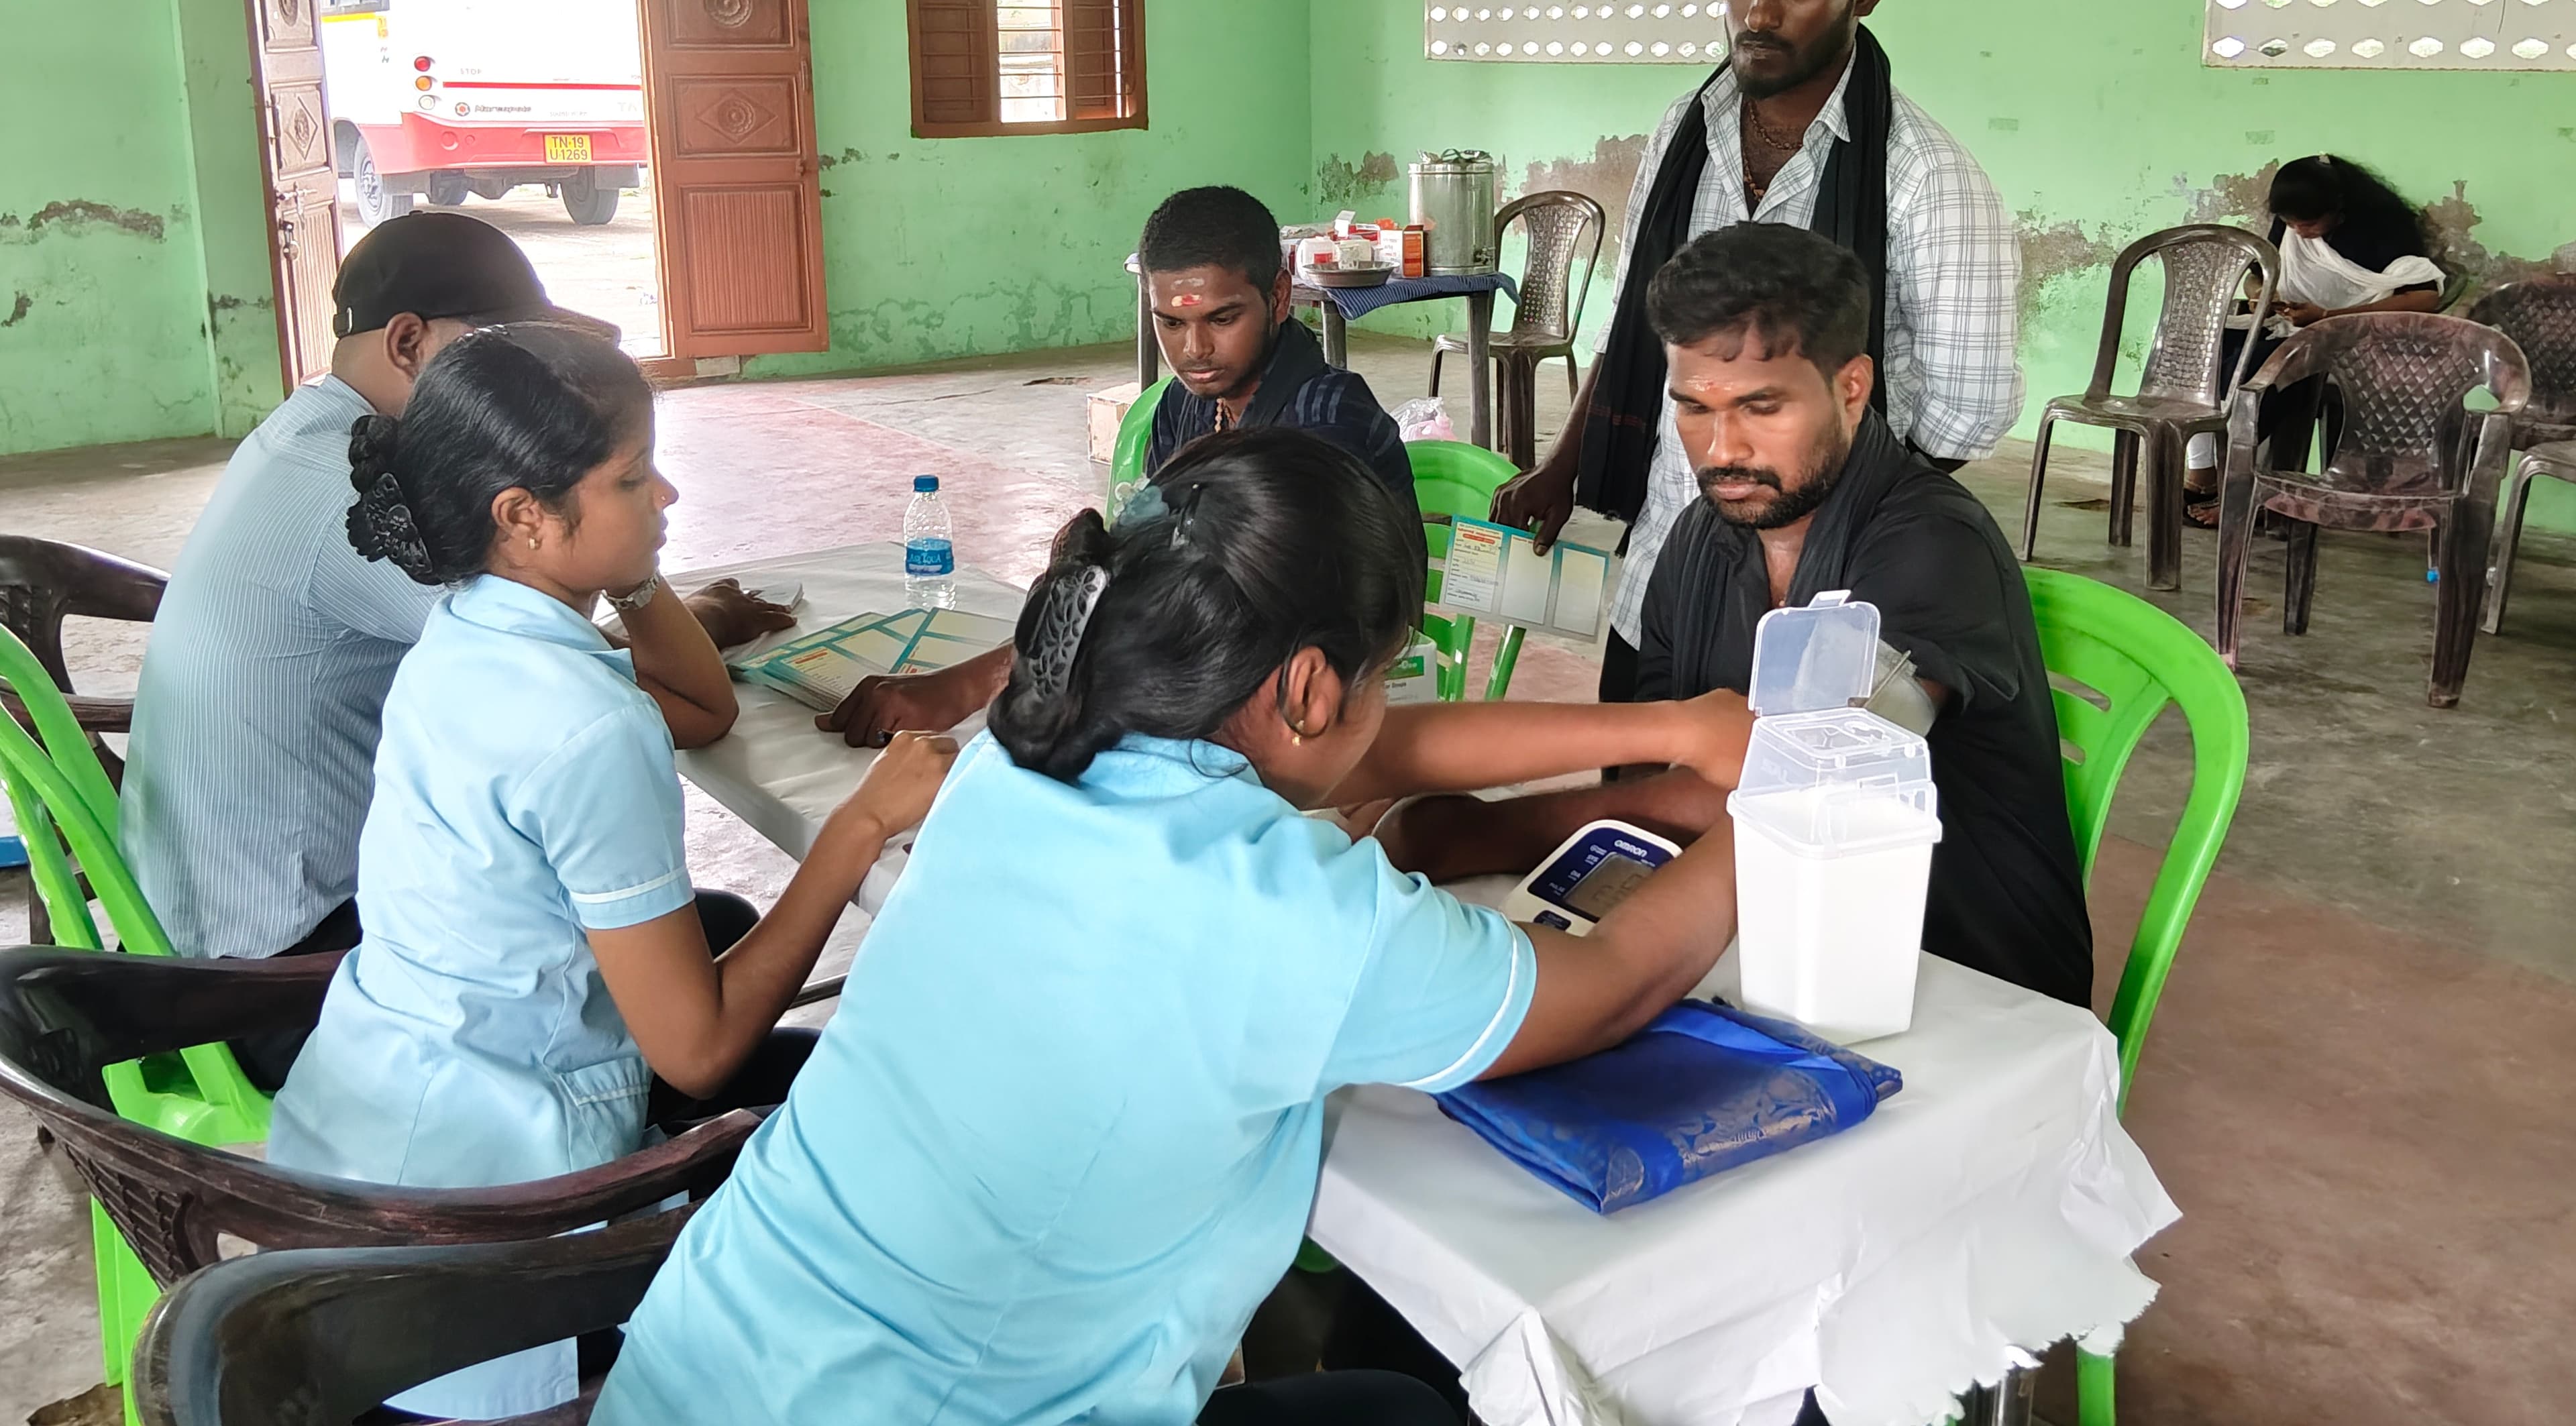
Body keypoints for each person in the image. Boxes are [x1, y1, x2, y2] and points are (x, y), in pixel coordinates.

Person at [594, 429, 1756, 1426]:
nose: (1387, 705)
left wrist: (1683, 728)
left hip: (706, 1361)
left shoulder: (1023, 747)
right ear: (1307, 689)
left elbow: (1376, 749)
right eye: (1384, 674)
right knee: (1407, 1404)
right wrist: (1785, 811)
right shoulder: (1287, 911)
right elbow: (1613, 982)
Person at [266, 322, 955, 1421]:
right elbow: (697, 1048)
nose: (669, 492)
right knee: (891, 1141)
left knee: (811, 1062)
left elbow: (701, 705)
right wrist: (862, 825)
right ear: (523, 518)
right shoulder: (582, 726)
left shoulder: (468, 634)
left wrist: (630, 564)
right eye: (634, 478)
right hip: (488, 1251)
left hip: (383, 1143)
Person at [1392, 224, 2093, 1009]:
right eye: (1693, 408)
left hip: (1954, 979)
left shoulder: (1930, 546)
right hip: (1770, 932)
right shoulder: (1701, 537)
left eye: (1763, 407)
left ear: (1851, 389)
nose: (1723, 449)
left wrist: (1477, 833)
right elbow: (1663, 782)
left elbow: (1800, 790)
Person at [121, 213, 788, 995]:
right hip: (277, 959)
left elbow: (530, 644)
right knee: (711, 947)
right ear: (409, 345)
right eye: (494, 359)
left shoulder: (316, 438)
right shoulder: (365, 500)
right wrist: (646, 583)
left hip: (216, 910)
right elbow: (670, 703)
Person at [1491, 0, 2023, 704]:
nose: (1758, 13)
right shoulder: (1684, 133)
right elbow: (1638, 322)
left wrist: (1810, 512)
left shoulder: (1926, 179)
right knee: (1635, 817)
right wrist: (1566, 464)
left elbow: (1964, 418)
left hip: (1811, 606)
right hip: (1660, 576)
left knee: (1751, 826)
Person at [820, 184, 1419, 746]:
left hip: (1321, 702)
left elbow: (1253, 610)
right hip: (1217, 667)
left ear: (1280, 297)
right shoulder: (1184, 409)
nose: (1194, 350)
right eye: (1171, 322)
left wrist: (976, 685)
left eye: (1222, 318)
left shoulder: (1326, 419)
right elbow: (1143, 569)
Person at [2184, 153, 2446, 513]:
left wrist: (2329, 316)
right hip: (2291, 326)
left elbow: (2425, 297)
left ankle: (2247, 491)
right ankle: (2203, 471)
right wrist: (2264, 295)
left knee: (2261, 370)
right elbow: (2259, 275)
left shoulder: (2380, 231)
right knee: (2206, 348)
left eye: (2307, 223)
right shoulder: (2290, 227)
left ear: (2339, 209)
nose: (2297, 232)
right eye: (2289, 222)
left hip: (2353, 340)